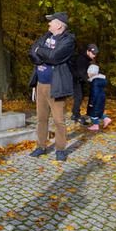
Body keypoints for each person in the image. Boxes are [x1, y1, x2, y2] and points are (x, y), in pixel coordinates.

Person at [28, 11, 76, 161]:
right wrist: (44, 55)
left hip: (56, 86)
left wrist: (41, 52)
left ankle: (60, 149)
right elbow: (32, 51)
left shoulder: (68, 40)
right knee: (41, 118)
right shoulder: (46, 36)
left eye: (51, 21)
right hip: (40, 83)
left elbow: (55, 56)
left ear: (59, 25)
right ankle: (41, 146)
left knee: (58, 120)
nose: (48, 23)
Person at [70, 43, 98, 125]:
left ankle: (75, 113)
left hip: (80, 80)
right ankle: (76, 115)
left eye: (95, 54)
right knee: (78, 97)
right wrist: (89, 80)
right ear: (88, 51)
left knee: (80, 97)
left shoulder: (86, 58)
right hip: (76, 80)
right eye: (93, 53)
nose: (94, 55)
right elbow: (81, 72)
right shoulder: (81, 59)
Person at [85, 64, 111, 130]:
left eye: (88, 73)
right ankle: (105, 119)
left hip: (97, 99)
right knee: (98, 111)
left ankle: (96, 125)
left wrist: (92, 102)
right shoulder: (99, 80)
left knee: (94, 113)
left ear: (91, 73)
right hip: (101, 97)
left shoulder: (94, 82)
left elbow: (94, 93)